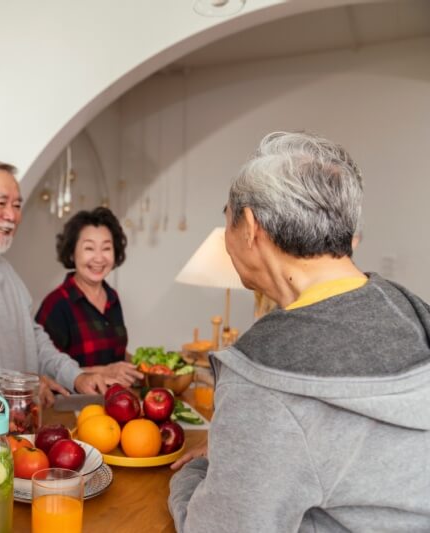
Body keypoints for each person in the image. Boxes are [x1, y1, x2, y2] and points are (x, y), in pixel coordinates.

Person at [167, 131, 430, 531]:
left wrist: (195, 473)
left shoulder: (265, 374)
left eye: (227, 221)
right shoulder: (410, 310)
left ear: (251, 227)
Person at [0, 159, 109, 417]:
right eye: (0, 203)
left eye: (16, 205)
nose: (12, 216)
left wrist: (76, 376)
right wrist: (22, 386)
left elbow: (33, 338)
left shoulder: (6, 270)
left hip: (17, 437)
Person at [35, 207, 142, 386]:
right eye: (89, 248)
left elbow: (114, 353)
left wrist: (141, 365)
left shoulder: (112, 297)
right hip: (70, 407)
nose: (99, 258)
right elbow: (43, 370)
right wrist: (104, 371)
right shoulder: (57, 304)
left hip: (113, 402)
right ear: (71, 253)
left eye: (106, 248)